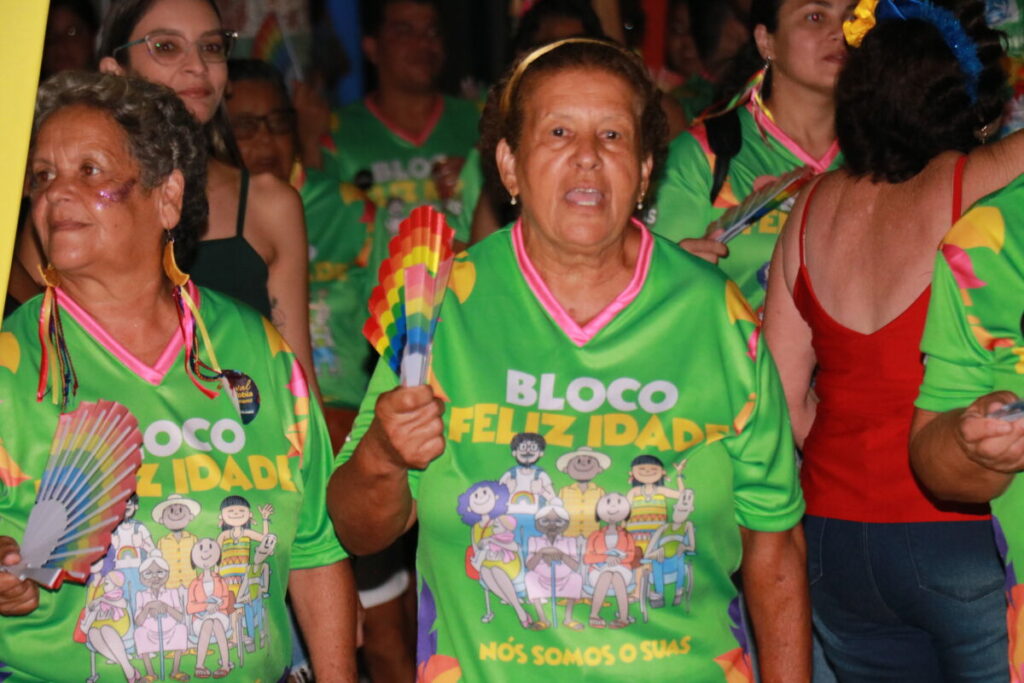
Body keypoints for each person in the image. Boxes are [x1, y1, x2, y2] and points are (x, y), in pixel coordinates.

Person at [328, 38, 808, 681]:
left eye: (612, 135)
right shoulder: (442, 309)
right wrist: (385, 455)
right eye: (558, 132)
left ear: (644, 170)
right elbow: (357, 531)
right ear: (509, 165)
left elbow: (775, 545)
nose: (587, 155)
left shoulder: (715, 315)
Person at [0, 71, 356, 682]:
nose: (57, 193)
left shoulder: (253, 348)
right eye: (42, 176)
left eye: (90, 170)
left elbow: (315, 544)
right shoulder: (12, 367)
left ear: (167, 196)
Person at [763, 0, 1020, 678]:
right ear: (963, 99)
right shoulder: (976, 182)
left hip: (834, 541)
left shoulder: (810, 207)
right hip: (958, 532)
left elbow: (782, 396)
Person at [92, 0, 316, 394]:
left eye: (211, 47)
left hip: (246, 433)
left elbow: (298, 388)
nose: (197, 65)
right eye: (166, 46)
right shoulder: (75, 200)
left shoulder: (269, 204)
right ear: (115, 72)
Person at [653, 0, 851, 314]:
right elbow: (652, 296)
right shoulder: (707, 154)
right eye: (815, 17)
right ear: (765, 40)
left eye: (853, 17)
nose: (841, 32)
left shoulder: (884, 157)